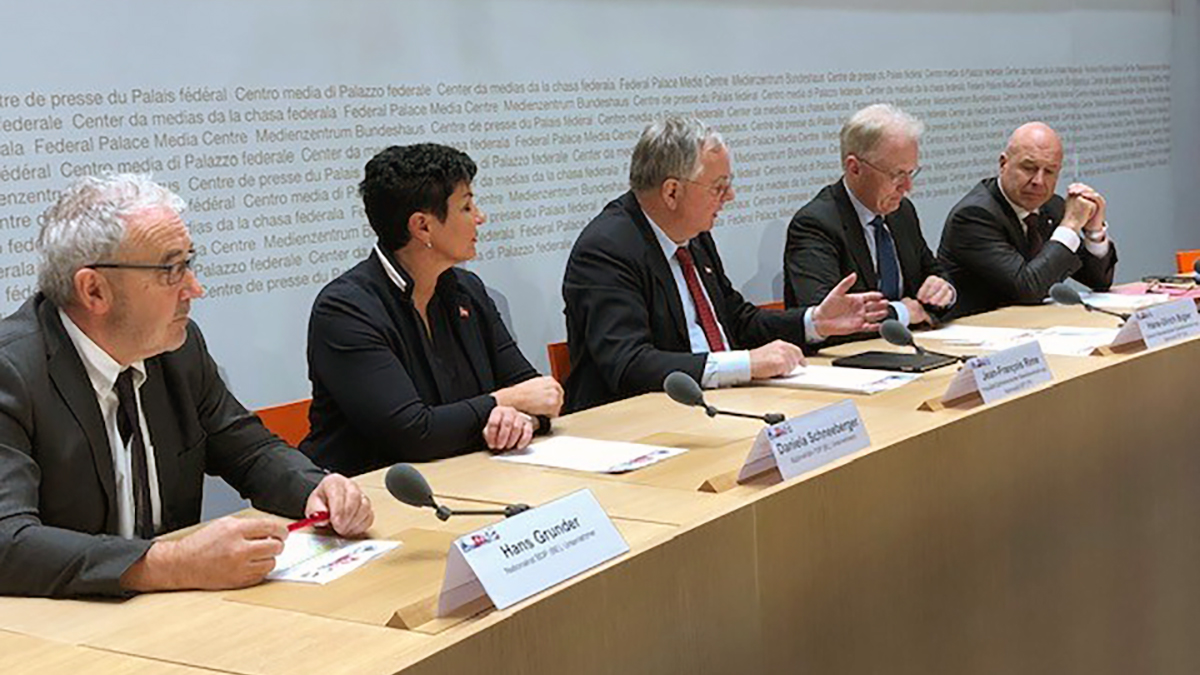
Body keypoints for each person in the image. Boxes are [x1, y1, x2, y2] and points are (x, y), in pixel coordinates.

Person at [0, 174, 374, 599]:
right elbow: (7, 542)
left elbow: (250, 450)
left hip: (172, 617)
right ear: (94, 290)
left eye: (189, 264)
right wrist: (175, 564)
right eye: (170, 270)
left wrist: (315, 488)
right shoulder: (12, 371)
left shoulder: (178, 348)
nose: (194, 289)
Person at [562, 117, 889, 412]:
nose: (730, 196)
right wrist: (745, 364)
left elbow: (737, 321)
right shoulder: (607, 248)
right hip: (640, 423)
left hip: (722, 406)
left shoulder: (694, 236)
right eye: (719, 187)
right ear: (672, 192)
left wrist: (814, 322)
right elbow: (629, 364)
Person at [302, 144, 562, 476]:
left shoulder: (468, 291)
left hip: (466, 476)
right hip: (368, 496)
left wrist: (518, 419)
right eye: (467, 207)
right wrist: (503, 403)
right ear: (422, 227)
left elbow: (538, 392)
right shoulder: (345, 310)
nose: (480, 217)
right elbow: (413, 434)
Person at [784, 104, 954, 333]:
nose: (907, 187)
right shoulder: (815, 225)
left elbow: (934, 272)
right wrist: (903, 313)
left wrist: (944, 290)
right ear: (854, 168)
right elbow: (828, 317)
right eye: (896, 174)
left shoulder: (902, 213)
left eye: (911, 172)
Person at [938, 122, 1117, 317]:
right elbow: (1028, 289)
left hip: (1029, 327)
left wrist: (1094, 231)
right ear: (1003, 164)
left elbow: (1099, 280)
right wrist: (1071, 225)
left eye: (1049, 171)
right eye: (1029, 168)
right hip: (976, 331)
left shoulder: (1051, 206)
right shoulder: (975, 215)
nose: (1038, 181)